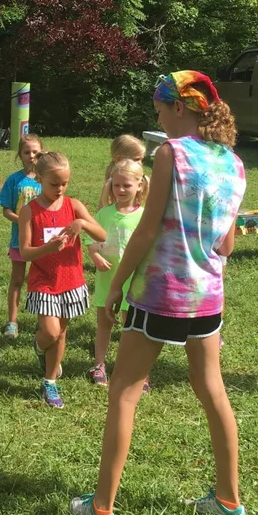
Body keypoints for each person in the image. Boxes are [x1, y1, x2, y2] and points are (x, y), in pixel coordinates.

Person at [70, 71, 247, 515]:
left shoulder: (172, 154)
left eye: (160, 111)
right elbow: (226, 245)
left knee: (124, 392)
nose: (159, 120)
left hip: (160, 294)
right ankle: (229, 501)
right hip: (207, 297)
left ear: (181, 108)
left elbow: (147, 230)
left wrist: (115, 287)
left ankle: (102, 508)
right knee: (213, 392)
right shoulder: (234, 162)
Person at [19, 151, 107, 408]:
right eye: (53, 184)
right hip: (43, 280)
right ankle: (39, 346)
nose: (59, 189)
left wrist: (82, 224)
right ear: (39, 178)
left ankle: (49, 382)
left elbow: (101, 234)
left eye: (64, 184)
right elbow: (24, 252)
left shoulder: (74, 206)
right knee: (50, 331)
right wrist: (49, 247)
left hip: (70, 279)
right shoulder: (29, 211)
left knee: (61, 334)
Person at [87, 158, 148, 388]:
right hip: (106, 280)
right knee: (104, 324)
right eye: (116, 185)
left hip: (134, 283)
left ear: (139, 185)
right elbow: (91, 242)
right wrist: (96, 257)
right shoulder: (103, 214)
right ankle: (99, 364)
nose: (121, 190)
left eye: (127, 185)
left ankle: (134, 371)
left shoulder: (144, 216)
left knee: (131, 328)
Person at [0, 134, 44, 341]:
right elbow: (6, 210)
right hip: (19, 240)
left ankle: (43, 322)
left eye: (36, 152)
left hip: (43, 241)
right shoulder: (14, 180)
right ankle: (12, 322)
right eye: (27, 152)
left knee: (42, 282)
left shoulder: (47, 178)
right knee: (16, 280)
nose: (31, 156)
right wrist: (22, 222)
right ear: (19, 154)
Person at [98, 134, 147, 210]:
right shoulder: (115, 178)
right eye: (136, 159)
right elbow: (104, 204)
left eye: (141, 159)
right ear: (118, 159)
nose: (140, 163)